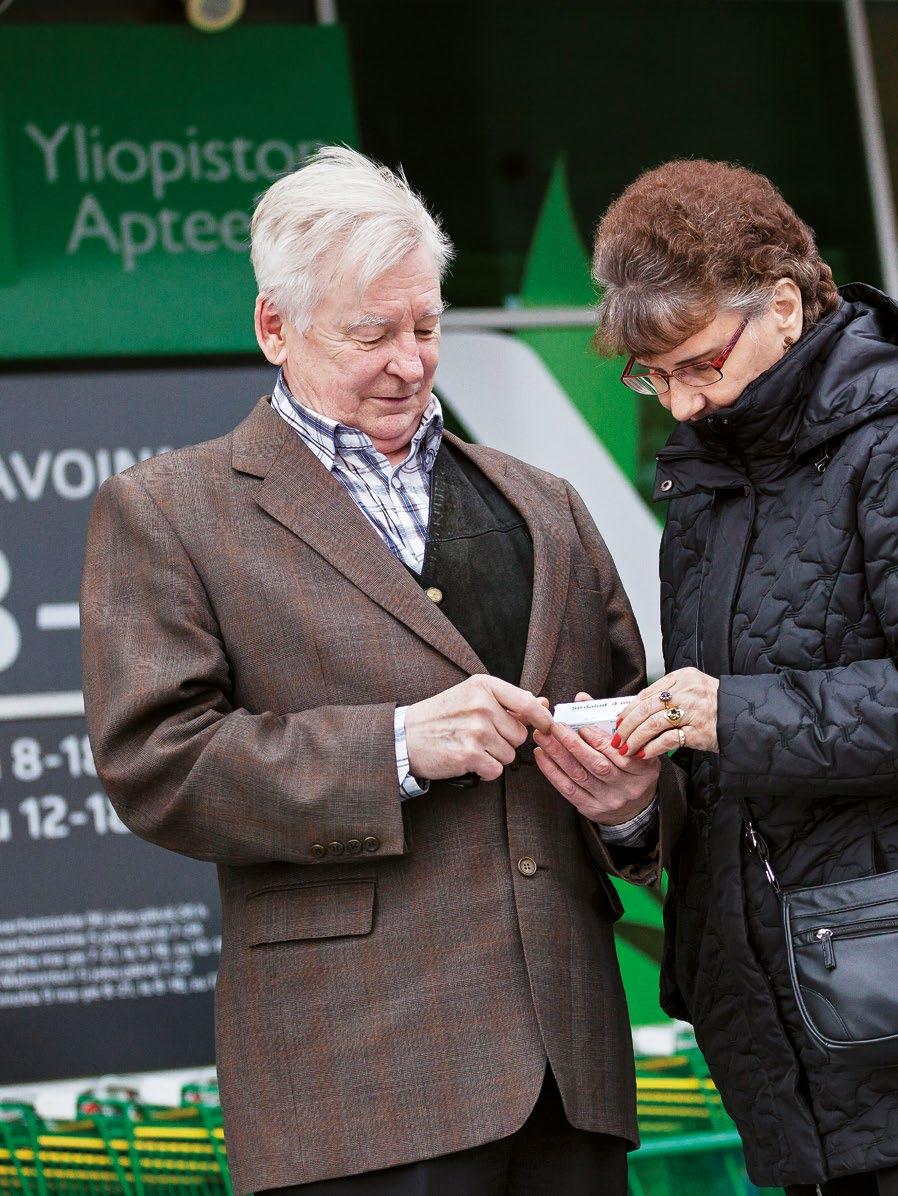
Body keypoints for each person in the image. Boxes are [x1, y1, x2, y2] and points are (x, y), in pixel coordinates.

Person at [80, 146, 685, 1196]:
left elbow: (637, 729)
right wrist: (398, 745)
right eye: (370, 333)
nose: (410, 361)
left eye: (427, 325)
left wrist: (633, 803)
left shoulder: (545, 501)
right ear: (275, 327)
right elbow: (158, 763)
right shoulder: (169, 511)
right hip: (356, 1085)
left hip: (572, 1075)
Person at [589, 160, 898, 1196]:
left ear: (782, 302)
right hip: (801, 1026)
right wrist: (638, 802)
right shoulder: (713, 474)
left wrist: (732, 713)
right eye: (652, 375)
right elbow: (735, 764)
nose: (680, 398)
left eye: (698, 363)